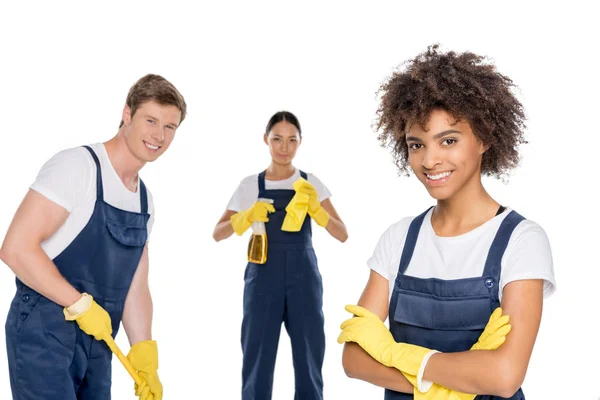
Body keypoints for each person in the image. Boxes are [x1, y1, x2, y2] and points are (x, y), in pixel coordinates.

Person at [338, 45, 556, 399]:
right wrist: (454, 378)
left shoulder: (522, 240)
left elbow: (504, 376)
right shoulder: (399, 239)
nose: (430, 160)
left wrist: (398, 357)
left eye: (448, 141)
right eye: (416, 145)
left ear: (484, 138)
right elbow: (353, 358)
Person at [0, 74, 187, 400]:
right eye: (151, 120)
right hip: (45, 332)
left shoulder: (144, 200)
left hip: (100, 339)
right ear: (127, 114)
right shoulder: (78, 168)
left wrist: (144, 354)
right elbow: (16, 248)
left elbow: (135, 286)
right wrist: (79, 304)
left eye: (170, 127)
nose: (159, 135)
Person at [213, 111, 348, 400]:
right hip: (262, 278)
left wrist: (319, 213)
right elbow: (218, 232)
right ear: (266, 139)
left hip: (304, 279)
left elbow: (342, 233)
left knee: (309, 355)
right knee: (257, 356)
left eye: (291, 140)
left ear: (300, 143)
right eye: (277, 139)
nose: (284, 148)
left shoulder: (311, 183)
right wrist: (246, 217)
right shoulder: (250, 184)